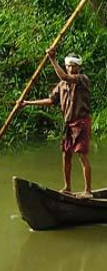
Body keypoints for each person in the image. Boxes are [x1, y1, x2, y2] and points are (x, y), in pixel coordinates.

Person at [21, 48, 92, 197]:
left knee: (82, 155)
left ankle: (88, 191)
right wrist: (28, 102)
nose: (71, 68)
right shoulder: (62, 85)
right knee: (66, 155)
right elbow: (50, 100)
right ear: (66, 66)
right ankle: (67, 187)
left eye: (74, 65)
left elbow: (66, 77)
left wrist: (52, 60)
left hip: (81, 122)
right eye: (69, 65)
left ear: (78, 67)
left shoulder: (82, 79)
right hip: (68, 124)